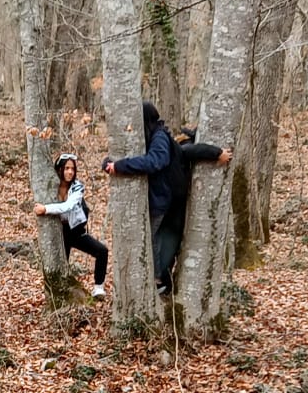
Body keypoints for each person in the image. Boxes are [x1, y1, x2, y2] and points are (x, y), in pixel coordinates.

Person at [104, 103, 230, 293]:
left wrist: (218, 153)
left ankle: (159, 280)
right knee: (160, 238)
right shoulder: (152, 137)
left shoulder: (160, 138)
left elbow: (157, 160)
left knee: (159, 239)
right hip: (163, 198)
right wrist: (110, 163)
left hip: (168, 200)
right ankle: (161, 280)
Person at [34, 153, 108, 299]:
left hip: (75, 231)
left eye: (72, 169)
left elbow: (68, 206)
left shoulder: (77, 187)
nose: (70, 172)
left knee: (102, 251)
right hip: (60, 233)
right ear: (59, 169)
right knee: (61, 265)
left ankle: (98, 288)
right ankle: (56, 295)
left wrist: (45, 209)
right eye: (67, 168)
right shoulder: (51, 186)